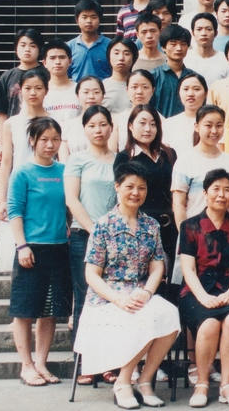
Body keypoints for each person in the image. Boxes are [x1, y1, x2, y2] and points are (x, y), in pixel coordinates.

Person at [73, 161, 181, 409]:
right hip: (106, 299)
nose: (136, 192)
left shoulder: (151, 225)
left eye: (141, 188)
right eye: (130, 186)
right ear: (117, 187)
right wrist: (118, 299)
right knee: (143, 317)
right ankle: (123, 382)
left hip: (140, 293)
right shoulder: (103, 225)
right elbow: (92, 275)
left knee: (169, 313)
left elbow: (157, 267)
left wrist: (147, 292)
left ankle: (144, 380)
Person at [178, 169, 229, 408]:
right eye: (216, 189)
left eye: (227, 190)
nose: (222, 194)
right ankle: (202, 383)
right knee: (209, 323)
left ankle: (227, 385)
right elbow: (188, 269)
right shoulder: (189, 226)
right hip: (196, 290)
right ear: (205, 193)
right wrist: (202, 296)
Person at [6, 117, 71, 387]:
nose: (50, 145)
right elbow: (14, 211)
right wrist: (22, 245)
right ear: (32, 140)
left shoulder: (64, 171)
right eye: (44, 139)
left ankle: (42, 363)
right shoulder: (22, 172)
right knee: (24, 310)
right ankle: (27, 365)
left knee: (50, 310)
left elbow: (69, 206)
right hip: (31, 248)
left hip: (60, 247)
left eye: (55, 139)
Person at [64, 105, 116, 351]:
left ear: (111, 127)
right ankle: (82, 360)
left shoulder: (119, 160)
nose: (98, 130)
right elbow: (71, 199)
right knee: (84, 296)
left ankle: (107, 358)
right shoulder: (77, 159)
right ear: (84, 129)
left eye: (103, 125)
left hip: (114, 238)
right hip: (84, 236)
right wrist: (96, 230)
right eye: (92, 125)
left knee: (110, 297)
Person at [0, 69, 52, 273]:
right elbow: (6, 163)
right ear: (20, 90)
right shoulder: (11, 123)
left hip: (47, 188)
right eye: (28, 88)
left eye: (38, 88)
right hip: (19, 189)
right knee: (17, 251)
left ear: (46, 90)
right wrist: (3, 200)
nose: (33, 93)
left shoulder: (54, 121)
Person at [114, 104, 179, 277]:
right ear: (130, 126)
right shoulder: (125, 157)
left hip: (170, 226)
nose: (148, 129)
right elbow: (123, 197)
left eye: (153, 124)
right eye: (142, 123)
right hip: (140, 226)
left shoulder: (169, 154)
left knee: (171, 277)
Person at [172, 104, 229, 230]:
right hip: (195, 234)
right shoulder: (185, 160)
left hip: (225, 235)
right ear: (196, 127)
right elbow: (178, 204)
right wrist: (185, 235)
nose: (214, 131)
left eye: (219, 125)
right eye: (208, 125)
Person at [0, 28, 43, 160]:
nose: (27, 49)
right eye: (23, 45)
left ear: (39, 49)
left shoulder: (46, 74)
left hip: (43, 132)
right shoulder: (7, 76)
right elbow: (2, 112)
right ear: (16, 48)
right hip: (15, 134)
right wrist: (1, 144)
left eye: (33, 45)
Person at [152, 25, 199, 118]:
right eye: (173, 44)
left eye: (183, 44)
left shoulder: (194, 77)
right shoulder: (154, 76)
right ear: (163, 47)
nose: (179, 48)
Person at [60, 77, 108, 158]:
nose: (91, 96)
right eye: (86, 92)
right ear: (77, 96)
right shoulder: (66, 126)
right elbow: (64, 160)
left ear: (103, 96)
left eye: (96, 92)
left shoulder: (110, 124)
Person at [111, 70, 159, 151]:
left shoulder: (161, 120)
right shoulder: (117, 120)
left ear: (152, 90)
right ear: (127, 90)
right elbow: (112, 152)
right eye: (134, 87)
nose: (139, 92)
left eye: (145, 87)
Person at [163, 73, 208, 157]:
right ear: (179, 93)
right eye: (186, 89)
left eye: (196, 89)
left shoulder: (212, 123)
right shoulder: (169, 123)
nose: (190, 94)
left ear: (206, 93)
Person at [68, 0, 113, 81]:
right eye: (84, 17)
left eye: (93, 17)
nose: (89, 21)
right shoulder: (69, 47)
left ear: (99, 20)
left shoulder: (110, 46)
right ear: (77, 20)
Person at [184, 13, 229, 86]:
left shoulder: (226, 60)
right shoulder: (185, 57)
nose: (204, 33)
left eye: (209, 29)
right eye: (199, 29)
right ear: (192, 33)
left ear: (216, 33)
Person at [41, 39, 81, 124]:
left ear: (70, 61)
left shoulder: (80, 90)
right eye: (52, 58)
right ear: (44, 63)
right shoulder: (39, 91)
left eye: (62, 57)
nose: (57, 62)